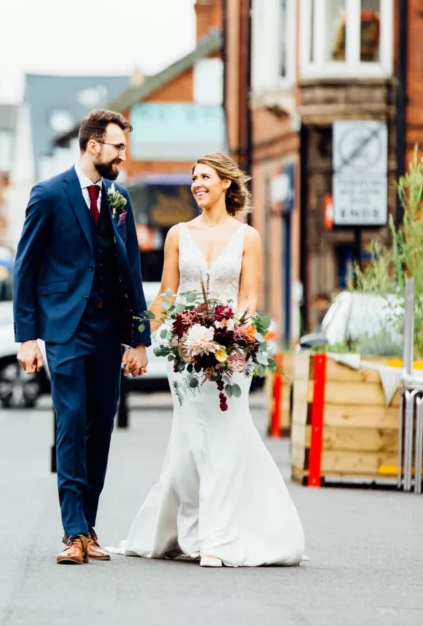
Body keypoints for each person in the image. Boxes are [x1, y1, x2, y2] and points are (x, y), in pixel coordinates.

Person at [116, 152, 305, 568]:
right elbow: (166, 296)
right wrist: (139, 339)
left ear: (225, 183)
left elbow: (248, 297)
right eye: (193, 178)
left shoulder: (248, 237)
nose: (197, 184)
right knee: (188, 443)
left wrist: (232, 335)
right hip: (183, 355)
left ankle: (217, 538)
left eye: (205, 176)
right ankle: (188, 528)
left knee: (226, 438)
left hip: (230, 355)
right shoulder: (178, 234)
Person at [12, 109, 150, 565]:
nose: (122, 156)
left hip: (108, 330)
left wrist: (139, 338)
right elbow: (26, 268)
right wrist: (27, 336)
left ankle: (87, 527)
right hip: (65, 329)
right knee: (71, 420)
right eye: (117, 147)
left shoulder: (119, 198)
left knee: (100, 426)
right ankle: (72, 532)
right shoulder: (48, 194)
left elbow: (131, 269)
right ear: (93, 146)